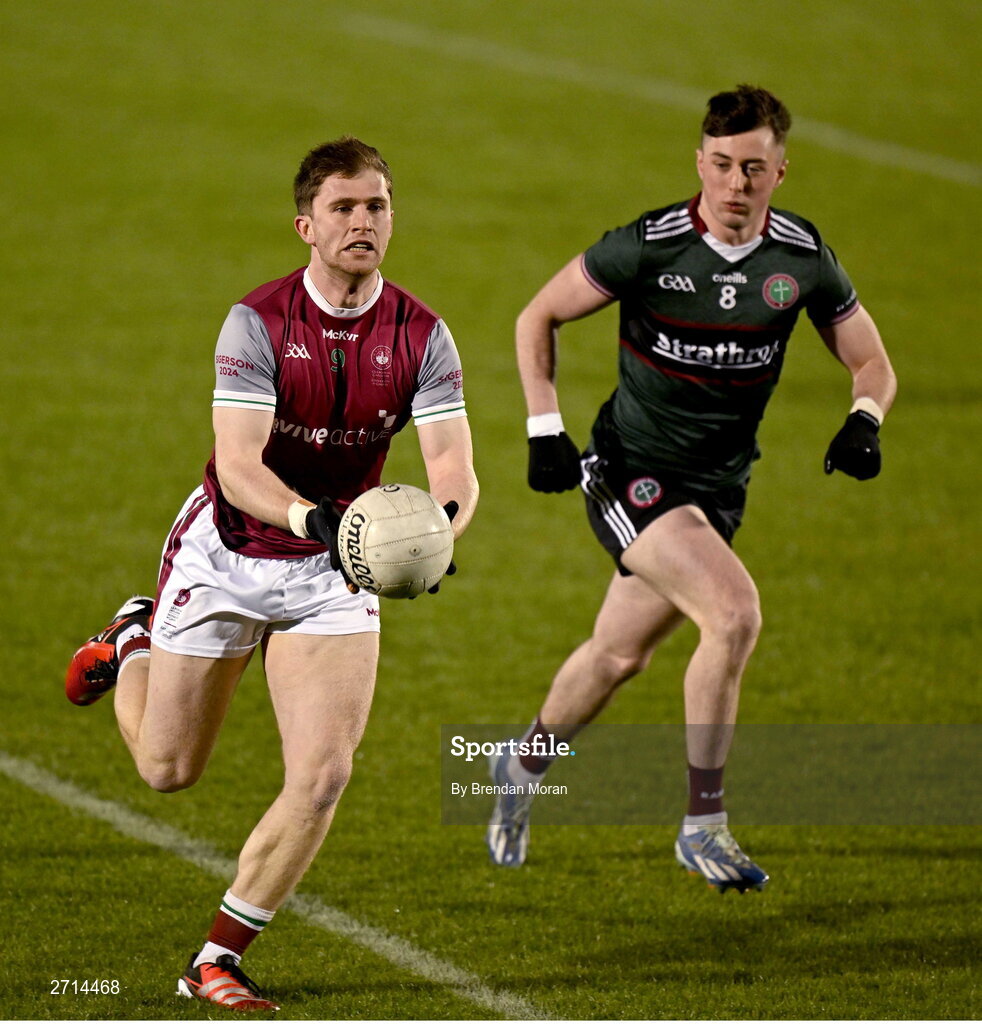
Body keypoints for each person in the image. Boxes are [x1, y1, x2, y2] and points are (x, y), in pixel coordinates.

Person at [65, 137, 478, 1010]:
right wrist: (313, 519)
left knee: (325, 772)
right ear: (307, 225)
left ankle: (215, 956)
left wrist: (438, 534)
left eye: (377, 206)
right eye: (344, 208)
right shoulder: (256, 322)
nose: (364, 221)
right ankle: (134, 638)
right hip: (230, 550)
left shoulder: (422, 333)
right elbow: (241, 463)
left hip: (336, 574)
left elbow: (453, 466)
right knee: (169, 771)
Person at [486, 85, 896, 892]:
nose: (735, 183)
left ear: (781, 170)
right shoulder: (650, 247)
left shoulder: (802, 258)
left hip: (716, 490)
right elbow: (538, 316)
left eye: (753, 167)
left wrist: (864, 418)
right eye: (720, 165)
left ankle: (516, 768)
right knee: (734, 614)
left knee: (617, 655)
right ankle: (703, 823)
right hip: (629, 470)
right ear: (699, 164)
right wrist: (544, 431)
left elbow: (871, 360)